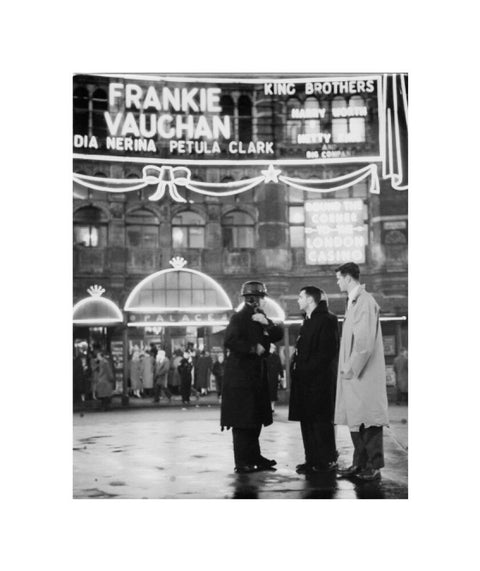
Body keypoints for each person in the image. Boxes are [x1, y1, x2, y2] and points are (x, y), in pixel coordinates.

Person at [220, 280, 283, 474]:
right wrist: (252, 348)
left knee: (254, 420)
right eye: (262, 298)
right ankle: (243, 461)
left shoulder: (259, 316)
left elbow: (277, 334)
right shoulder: (239, 318)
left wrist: (267, 323)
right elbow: (229, 341)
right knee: (242, 422)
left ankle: (255, 457)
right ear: (254, 299)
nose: (264, 302)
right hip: (241, 379)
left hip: (254, 378)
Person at [334, 262, 389, 482]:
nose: (337, 282)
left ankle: (373, 466)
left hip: (362, 375)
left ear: (348, 278)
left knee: (369, 420)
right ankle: (360, 463)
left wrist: (350, 368)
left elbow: (363, 343)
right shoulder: (354, 301)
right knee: (358, 419)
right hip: (356, 376)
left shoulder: (364, 302)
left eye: (339, 278)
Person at [288, 286, 339, 473]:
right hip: (304, 382)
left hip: (319, 383)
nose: (298, 300)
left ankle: (326, 460)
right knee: (307, 421)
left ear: (310, 299)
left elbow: (326, 352)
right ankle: (311, 459)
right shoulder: (307, 320)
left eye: (301, 296)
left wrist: (305, 370)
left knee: (320, 423)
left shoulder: (328, 319)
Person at [266, 344, 283, 413]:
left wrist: (281, 375)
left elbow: (279, 366)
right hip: (268, 376)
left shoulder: (276, 356)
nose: (273, 349)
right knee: (268, 392)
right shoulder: (266, 355)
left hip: (274, 376)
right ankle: (269, 406)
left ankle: (272, 406)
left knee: (273, 392)